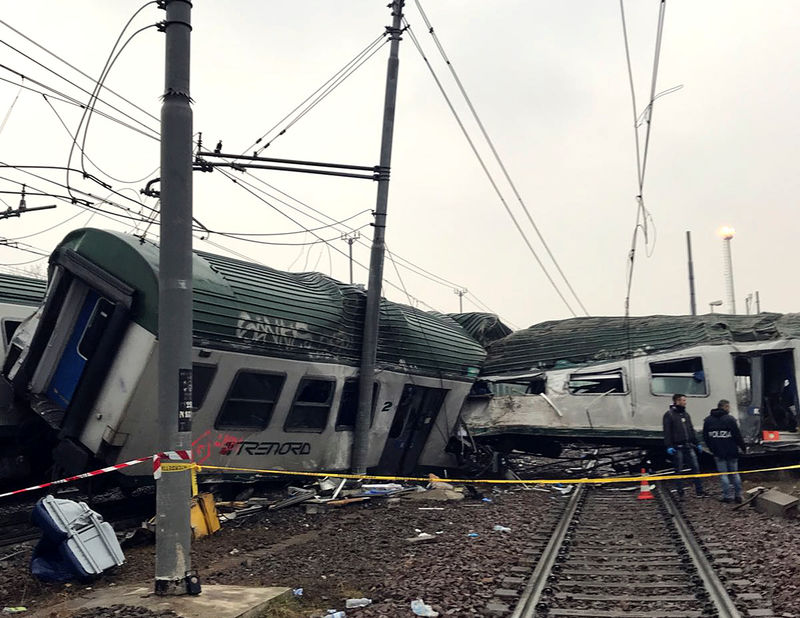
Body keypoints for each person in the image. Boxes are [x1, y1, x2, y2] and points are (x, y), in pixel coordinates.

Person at [702, 399, 746, 503]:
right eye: (728, 407)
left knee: (723, 475)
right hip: (732, 451)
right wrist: (743, 447)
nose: (729, 409)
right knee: (735, 474)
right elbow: (737, 435)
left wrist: (712, 448)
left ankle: (727, 496)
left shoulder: (708, 420)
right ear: (725, 407)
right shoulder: (730, 419)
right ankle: (738, 495)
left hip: (718, 452)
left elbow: (705, 437)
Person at [663, 393, 705, 498]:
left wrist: (697, 443)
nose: (685, 402)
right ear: (677, 401)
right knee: (679, 471)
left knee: (696, 469)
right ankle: (680, 492)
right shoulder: (669, 415)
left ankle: (699, 491)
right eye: (683, 400)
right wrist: (669, 446)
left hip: (688, 445)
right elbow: (667, 432)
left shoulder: (686, 414)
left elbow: (691, 429)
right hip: (677, 447)